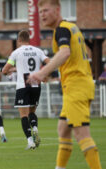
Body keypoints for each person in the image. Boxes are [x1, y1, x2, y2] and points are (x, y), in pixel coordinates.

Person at [28, 0, 102, 168]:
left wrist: (42, 72)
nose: (43, 15)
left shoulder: (62, 29)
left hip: (77, 87)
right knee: (63, 128)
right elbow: (71, 58)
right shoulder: (71, 27)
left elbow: (65, 52)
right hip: (79, 84)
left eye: (46, 10)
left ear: (57, 9)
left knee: (82, 133)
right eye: (40, 12)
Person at [2, 30, 50, 149]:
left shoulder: (16, 52)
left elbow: (4, 70)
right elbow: (49, 62)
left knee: (23, 115)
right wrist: (43, 74)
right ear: (29, 39)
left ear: (18, 40)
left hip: (23, 86)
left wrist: (11, 70)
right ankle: (35, 128)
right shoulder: (38, 51)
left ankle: (30, 142)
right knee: (32, 112)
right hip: (35, 86)